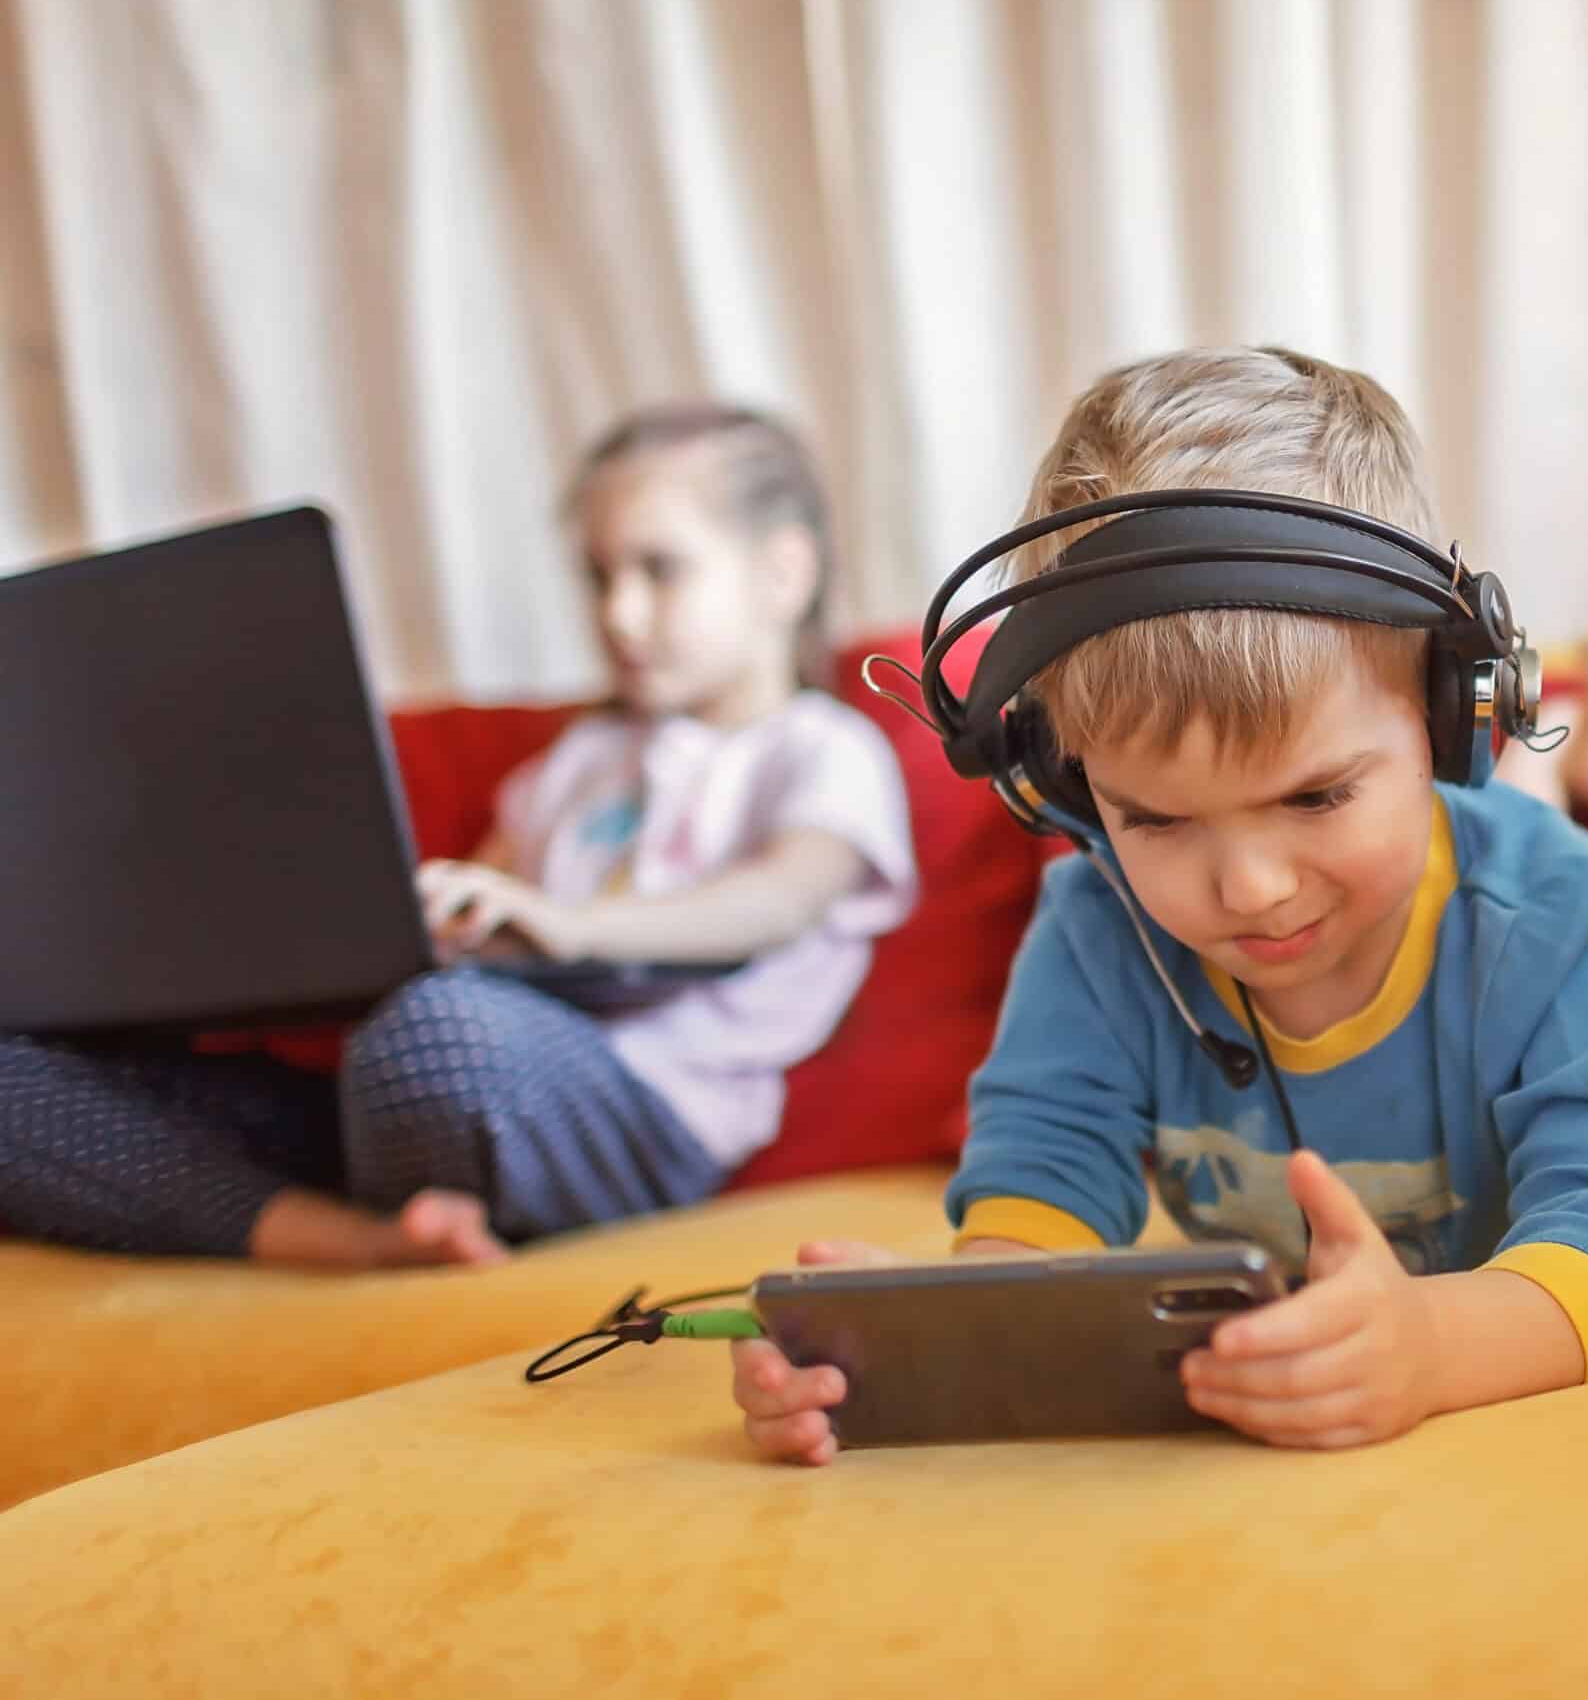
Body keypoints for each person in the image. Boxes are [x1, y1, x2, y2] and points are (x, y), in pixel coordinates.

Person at [730, 347, 1588, 1460]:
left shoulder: (1579, 922)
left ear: (1453, 715)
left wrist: (1434, 1345)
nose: (1249, 888)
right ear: (1060, 783)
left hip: (1533, 863)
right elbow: (1043, 1173)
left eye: (1316, 793)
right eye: (1154, 818)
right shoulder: (1096, 925)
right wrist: (935, 1337)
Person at [0, 403, 916, 1269]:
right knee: (16, 1077)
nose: (618, 613)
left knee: (433, 1031)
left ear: (784, 574)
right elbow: (477, 913)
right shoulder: (583, 758)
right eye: (598, 576)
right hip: (416, 1089)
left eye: (659, 570)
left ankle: (398, 1200)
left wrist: (575, 925)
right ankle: (359, 1241)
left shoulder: (820, 748)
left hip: (629, 1112)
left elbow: (782, 898)